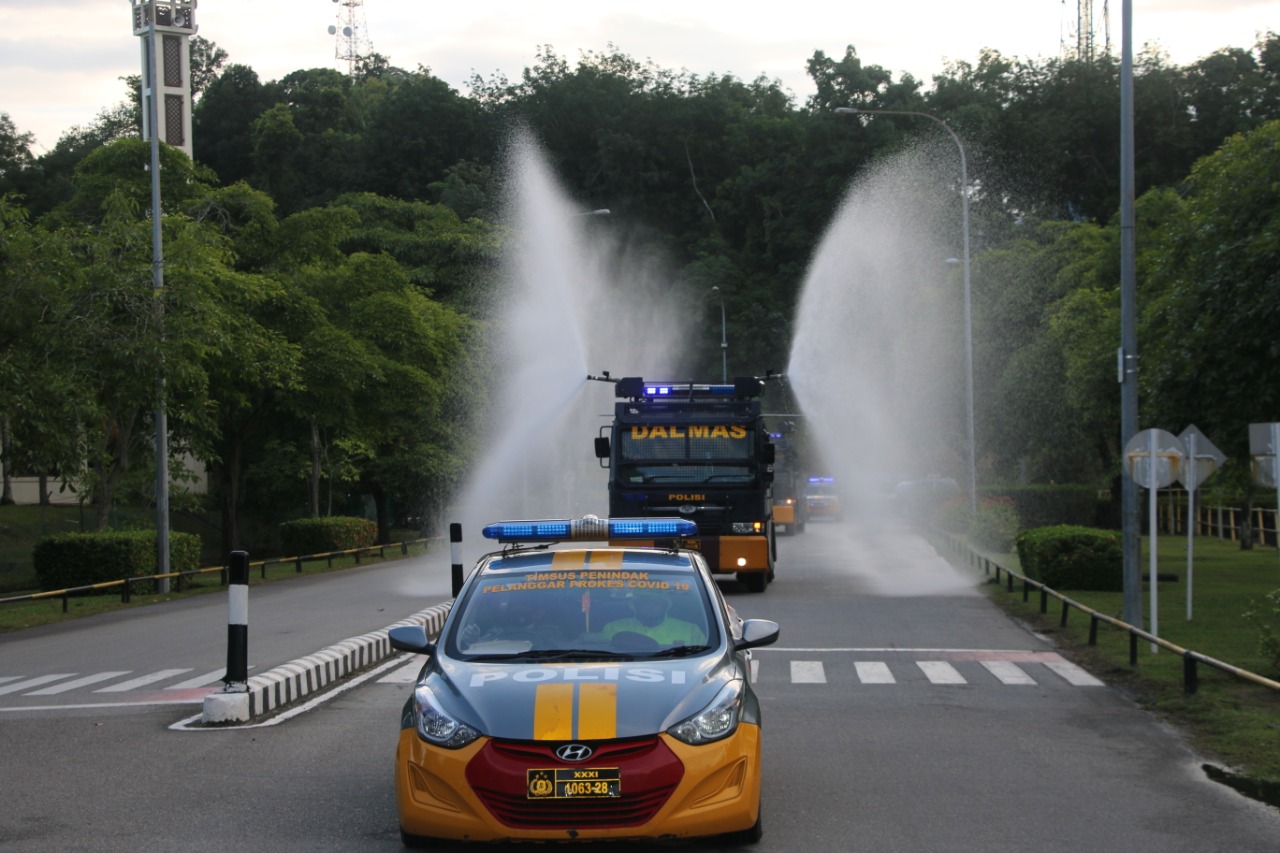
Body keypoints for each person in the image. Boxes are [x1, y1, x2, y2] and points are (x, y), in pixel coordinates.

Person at [603, 591, 706, 646]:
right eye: (645, 602)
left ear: (665, 606)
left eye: (656, 603)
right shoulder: (613, 627)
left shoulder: (690, 629)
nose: (650, 606)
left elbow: (703, 658)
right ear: (635, 606)